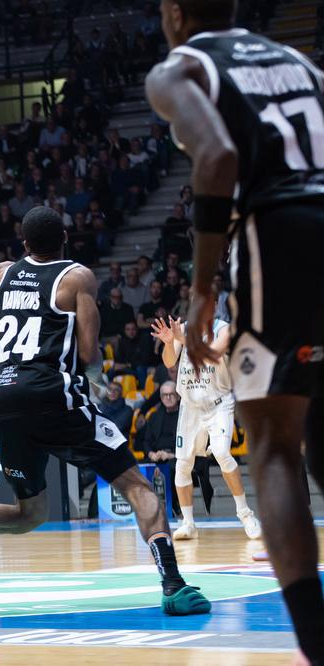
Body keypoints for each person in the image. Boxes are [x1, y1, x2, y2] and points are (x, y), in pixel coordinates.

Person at [0, 207, 210, 615]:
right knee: (136, 486)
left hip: (5, 399)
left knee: (31, 512)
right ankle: (173, 584)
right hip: (52, 395)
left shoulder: (7, 273)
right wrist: (100, 382)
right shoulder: (77, 277)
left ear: (25, 244)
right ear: (66, 237)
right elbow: (88, 353)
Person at [146, 1, 324, 660]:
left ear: (176, 13)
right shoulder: (298, 61)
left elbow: (217, 154)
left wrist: (202, 291)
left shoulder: (181, 67)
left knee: (274, 446)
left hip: (279, 234)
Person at [152, 316, 261, 540]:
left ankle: (246, 515)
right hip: (190, 405)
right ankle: (188, 523)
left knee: (221, 452)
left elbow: (213, 354)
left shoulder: (223, 330)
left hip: (218, 403)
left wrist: (184, 339)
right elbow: (169, 362)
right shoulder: (182, 328)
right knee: (182, 464)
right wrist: (169, 343)